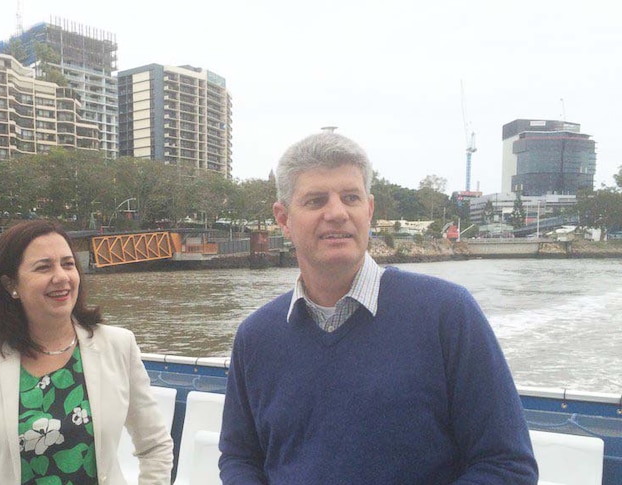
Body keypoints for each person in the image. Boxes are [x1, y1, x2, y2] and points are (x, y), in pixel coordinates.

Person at [219, 131, 538, 484]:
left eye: (350, 197)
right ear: (283, 219)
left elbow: (506, 466)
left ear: (368, 210)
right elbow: (240, 458)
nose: (337, 213)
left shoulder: (447, 314)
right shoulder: (256, 337)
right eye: (316, 200)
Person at [0, 220, 173, 484]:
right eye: (44, 267)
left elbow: (155, 446)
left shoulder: (118, 346)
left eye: (68, 264)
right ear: (10, 284)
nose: (61, 277)